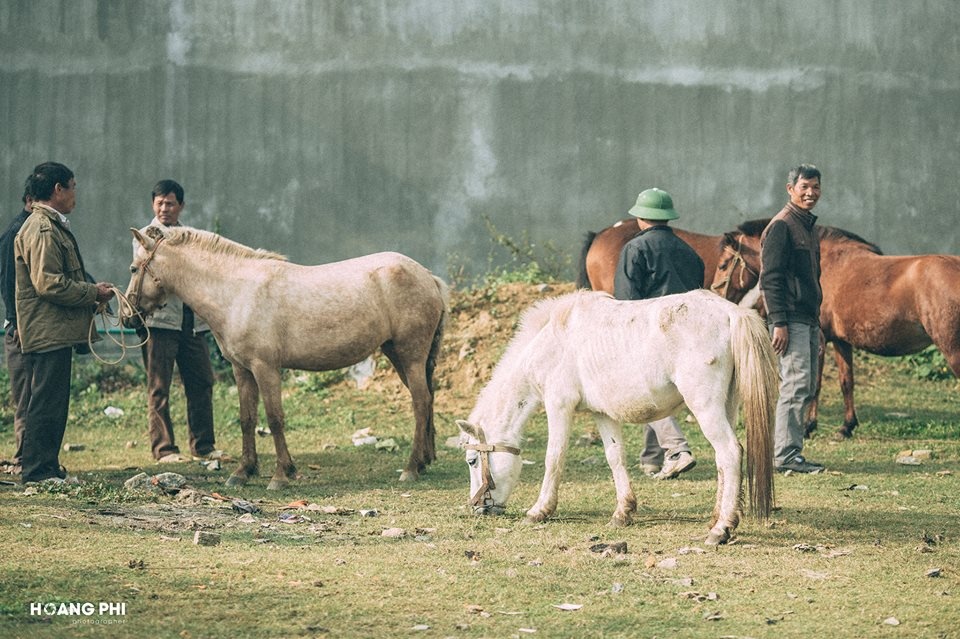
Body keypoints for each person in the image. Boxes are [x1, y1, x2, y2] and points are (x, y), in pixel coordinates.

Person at [14, 162, 115, 484]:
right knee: (45, 403)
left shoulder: (51, 225)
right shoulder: (43, 229)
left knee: (51, 402)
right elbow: (48, 283)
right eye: (72, 186)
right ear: (58, 189)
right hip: (47, 331)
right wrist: (92, 292)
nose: (75, 194)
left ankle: (46, 466)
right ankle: (38, 472)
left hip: (54, 330)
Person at [613, 188, 704, 480]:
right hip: (686, 334)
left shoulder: (635, 249)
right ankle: (652, 459)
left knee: (647, 392)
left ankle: (677, 450)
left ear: (641, 218)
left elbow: (626, 301)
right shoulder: (690, 252)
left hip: (650, 332)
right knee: (660, 391)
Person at [135, 179, 220, 463]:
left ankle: (204, 446)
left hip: (192, 322)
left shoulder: (189, 236)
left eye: (170, 203)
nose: (164, 208)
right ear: (152, 205)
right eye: (159, 203)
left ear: (180, 206)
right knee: (159, 386)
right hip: (160, 322)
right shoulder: (146, 236)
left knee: (202, 381)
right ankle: (164, 449)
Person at [760, 164, 825, 474]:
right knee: (795, 385)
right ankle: (784, 456)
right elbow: (769, 278)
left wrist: (817, 324)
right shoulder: (782, 226)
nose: (810, 192)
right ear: (790, 190)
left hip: (807, 320)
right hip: (790, 320)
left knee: (806, 386)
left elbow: (813, 279)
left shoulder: (808, 227)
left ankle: (791, 453)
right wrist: (779, 322)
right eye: (804, 187)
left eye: (815, 187)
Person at [0, 179, 34, 475]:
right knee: (25, 396)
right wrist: (18, 322)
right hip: (21, 328)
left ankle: (31, 457)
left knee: (34, 394)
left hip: (29, 327)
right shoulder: (17, 232)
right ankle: (25, 458)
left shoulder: (32, 230)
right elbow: (9, 284)